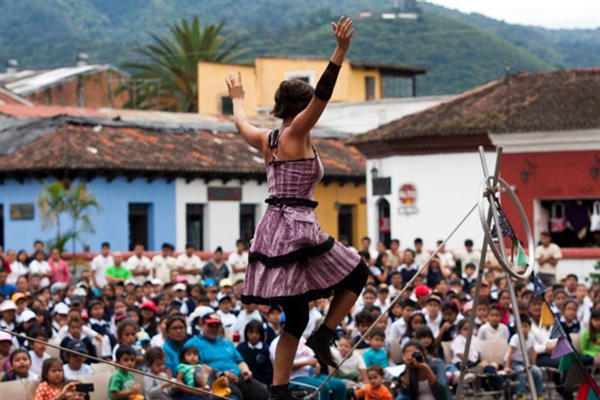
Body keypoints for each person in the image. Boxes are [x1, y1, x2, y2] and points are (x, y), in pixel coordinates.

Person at [226, 16, 368, 399]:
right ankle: (325, 335)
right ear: (301, 107)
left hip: (273, 227)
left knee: (296, 315)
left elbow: (241, 124)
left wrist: (237, 100)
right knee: (358, 274)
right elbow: (322, 95)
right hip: (296, 225)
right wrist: (339, 52)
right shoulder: (296, 133)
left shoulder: (266, 138)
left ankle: (280, 392)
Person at [185, 313, 269, 399]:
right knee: (235, 396)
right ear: (202, 325)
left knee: (262, 393)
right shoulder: (194, 343)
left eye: (217, 326)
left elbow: (239, 361)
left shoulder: (226, 343)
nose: (214, 329)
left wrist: (246, 371)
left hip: (236, 376)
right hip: (215, 379)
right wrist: (221, 374)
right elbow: (197, 365)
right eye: (210, 326)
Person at [503, 315, 544, 400]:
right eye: (520, 327)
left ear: (529, 327)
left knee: (537, 372)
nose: (523, 329)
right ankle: (520, 395)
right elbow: (510, 353)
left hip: (526, 363)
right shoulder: (515, 338)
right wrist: (507, 367)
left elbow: (533, 351)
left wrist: (533, 364)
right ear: (516, 329)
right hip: (514, 363)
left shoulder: (532, 337)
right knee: (522, 372)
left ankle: (539, 394)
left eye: (525, 326)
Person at [236, 320, 274, 385]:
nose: (254, 335)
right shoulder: (241, 347)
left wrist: (265, 383)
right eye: (251, 332)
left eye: (257, 333)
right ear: (246, 333)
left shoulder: (266, 349)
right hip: (244, 381)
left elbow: (269, 369)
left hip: (261, 382)